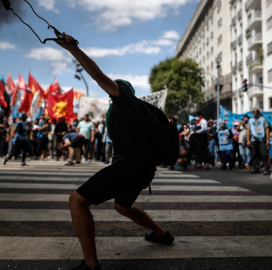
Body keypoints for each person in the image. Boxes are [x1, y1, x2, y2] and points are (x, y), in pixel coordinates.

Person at [55, 32, 174, 270]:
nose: (111, 93)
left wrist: (74, 50)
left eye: (115, 89)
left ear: (122, 91)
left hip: (130, 165)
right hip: (144, 168)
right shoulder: (139, 111)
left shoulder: (125, 101)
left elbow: (98, 76)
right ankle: (162, 235)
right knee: (122, 206)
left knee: (77, 201)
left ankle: (91, 265)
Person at [247, 108, 270, 175]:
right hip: (253, 139)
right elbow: (248, 130)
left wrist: (268, 139)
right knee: (254, 154)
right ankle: (255, 168)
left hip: (261, 139)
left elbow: (267, 129)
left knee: (264, 154)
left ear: (259, 112)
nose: (255, 112)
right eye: (254, 111)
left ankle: (266, 169)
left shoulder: (263, 119)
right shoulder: (250, 120)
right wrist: (248, 140)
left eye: (257, 111)